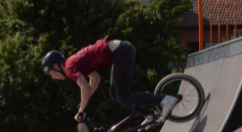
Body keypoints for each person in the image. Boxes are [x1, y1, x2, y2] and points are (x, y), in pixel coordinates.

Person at [42, 36, 179, 123]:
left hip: (121, 53)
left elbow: (85, 87)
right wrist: (85, 101)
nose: (54, 78)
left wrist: (81, 110)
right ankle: (148, 115)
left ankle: (165, 100)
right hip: (121, 51)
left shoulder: (68, 68)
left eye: (52, 74)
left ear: (55, 66)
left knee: (124, 96)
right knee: (115, 94)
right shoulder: (74, 63)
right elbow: (95, 79)